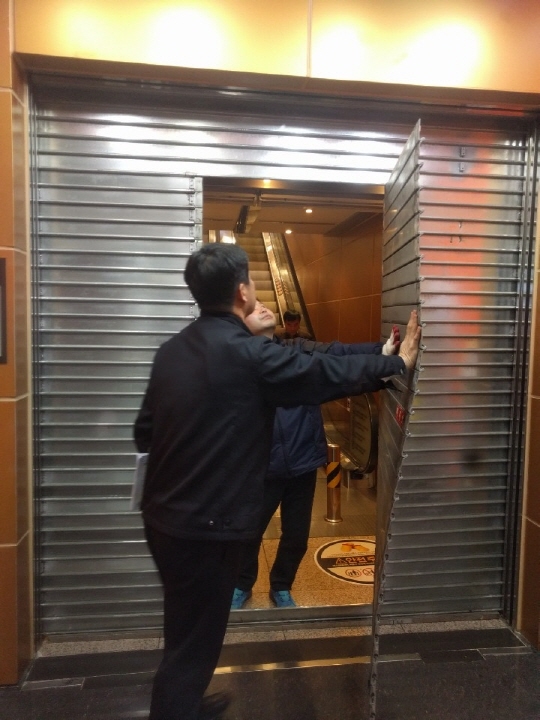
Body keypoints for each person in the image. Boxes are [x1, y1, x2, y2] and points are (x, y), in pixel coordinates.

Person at [133, 242, 420, 720]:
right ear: (242, 292)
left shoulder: (171, 351)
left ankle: (184, 701)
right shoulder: (248, 354)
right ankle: (178, 708)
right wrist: (397, 363)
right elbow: (323, 373)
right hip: (207, 527)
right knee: (196, 640)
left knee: (185, 625)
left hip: (162, 518)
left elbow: (143, 432)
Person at [231, 302, 400, 609]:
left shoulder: (297, 350)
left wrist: (383, 350)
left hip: (303, 462)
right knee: (248, 534)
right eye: (254, 309)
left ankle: (282, 585)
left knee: (296, 535)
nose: (263, 307)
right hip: (261, 468)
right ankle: (242, 584)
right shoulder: (240, 364)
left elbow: (338, 352)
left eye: (263, 304)